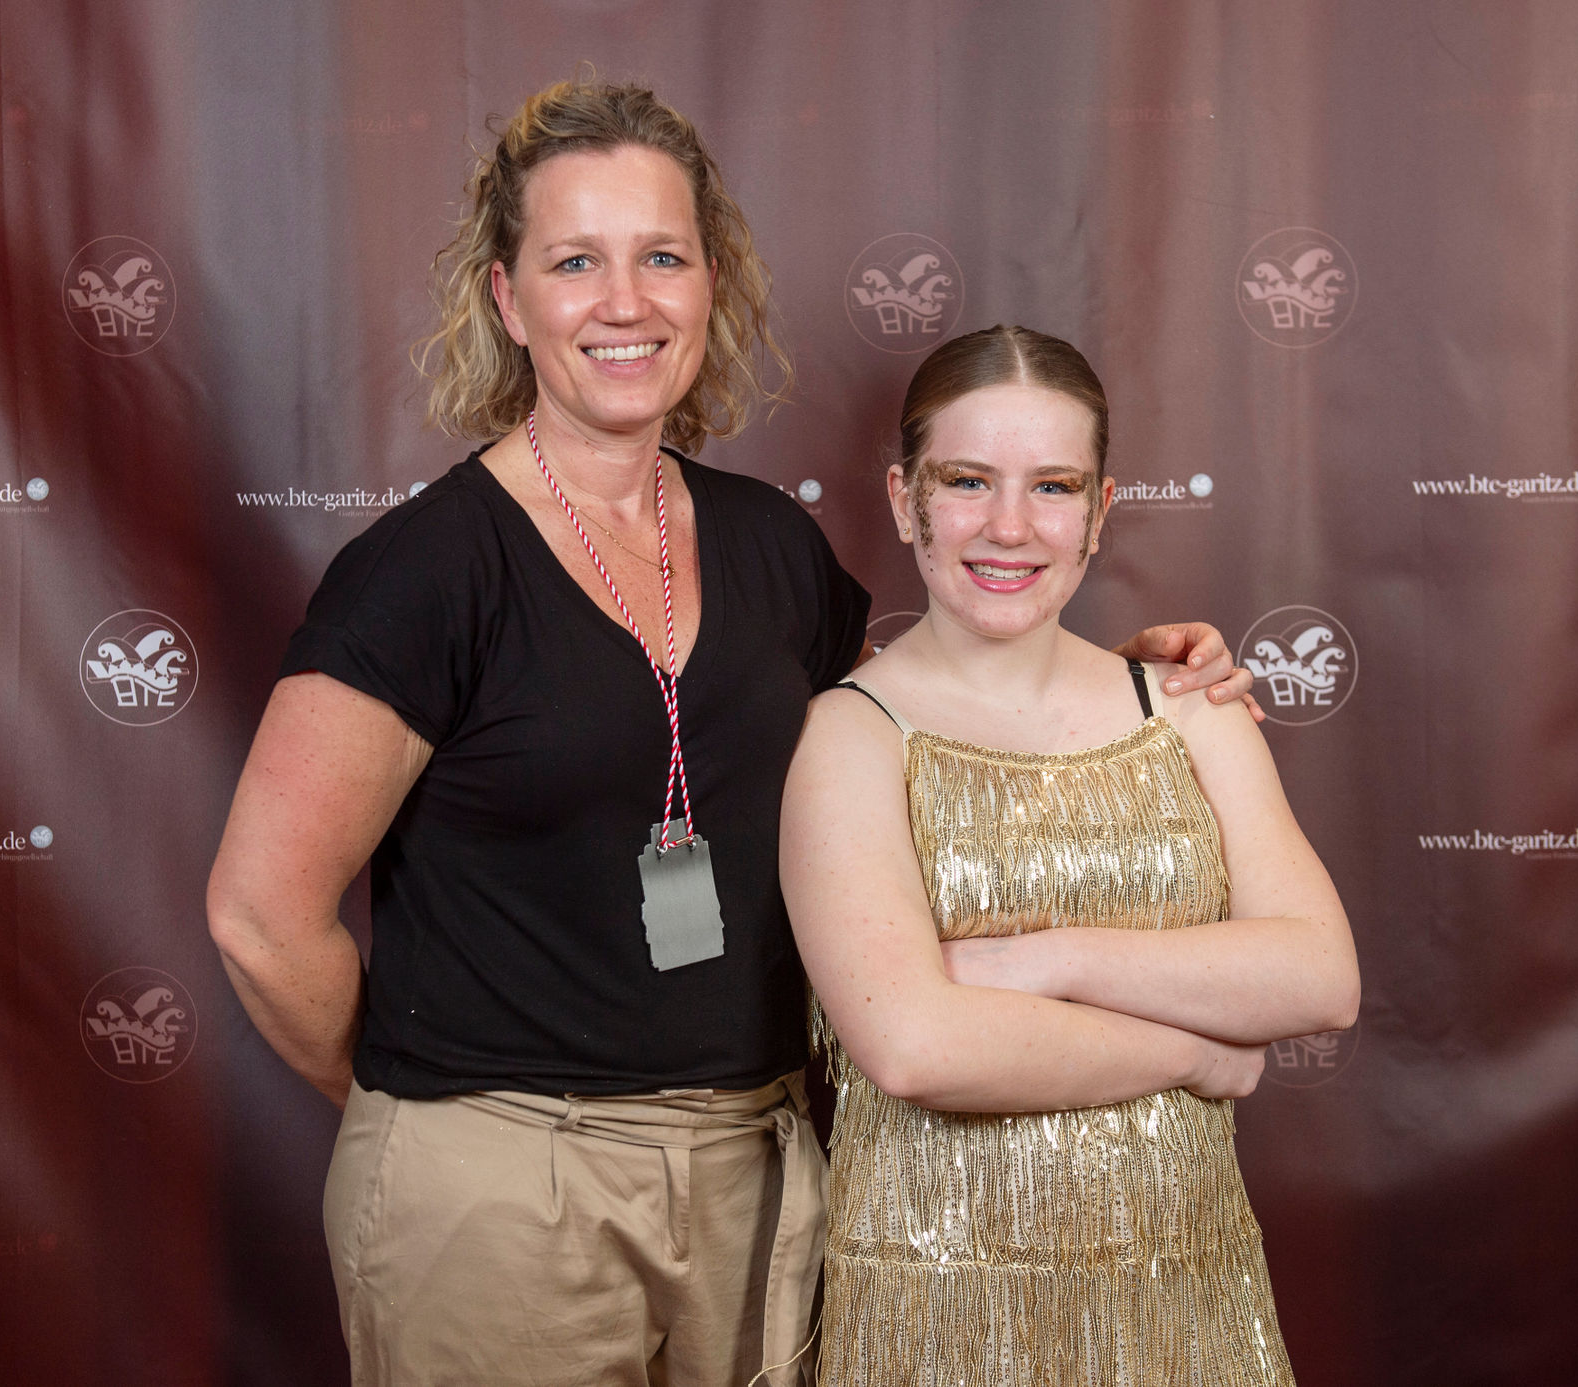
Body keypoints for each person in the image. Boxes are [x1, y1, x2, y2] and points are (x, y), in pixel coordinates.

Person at [206, 81, 1257, 1387]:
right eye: (575, 262)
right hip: (499, 1185)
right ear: (506, 299)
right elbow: (261, 915)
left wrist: (1118, 682)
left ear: (713, 284)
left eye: (663, 257)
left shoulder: (771, 546)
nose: (626, 301)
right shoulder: (426, 574)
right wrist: (435, 1123)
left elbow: (916, 748)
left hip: (759, 1170)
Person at [781, 325, 1359, 1386]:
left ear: (1099, 512)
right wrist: (1195, 1054)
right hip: (938, 1315)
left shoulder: (1185, 704)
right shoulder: (849, 735)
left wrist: (1037, 959)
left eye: (1053, 486)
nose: (1010, 526)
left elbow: (1319, 975)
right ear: (906, 499)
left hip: (1186, 1303)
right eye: (968, 481)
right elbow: (916, 1048)